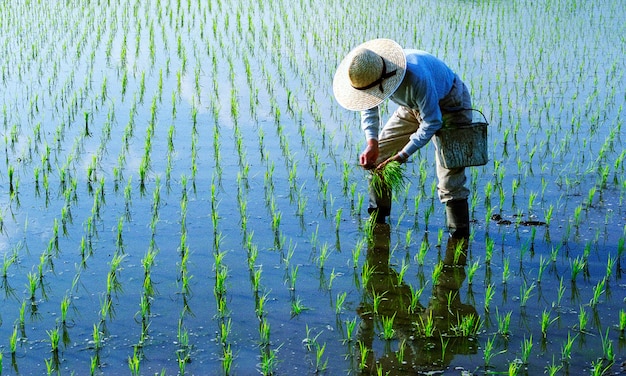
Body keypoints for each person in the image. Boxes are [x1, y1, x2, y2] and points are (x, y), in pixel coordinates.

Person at [333, 38, 472, 239]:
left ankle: (459, 237)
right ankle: (377, 218)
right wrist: (372, 142)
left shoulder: (416, 76)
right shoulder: (369, 75)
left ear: (384, 79)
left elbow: (432, 122)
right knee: (379, 158)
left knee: (450, 177)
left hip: (451, 104)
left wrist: (402, 156)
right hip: (412, 106)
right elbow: (369, 107)